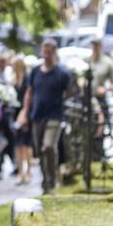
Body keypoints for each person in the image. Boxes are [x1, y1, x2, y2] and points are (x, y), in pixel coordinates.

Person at [18, 39, 73, 194]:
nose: (46, 55)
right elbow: (29, 92)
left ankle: (53, 178)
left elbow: (70, 93)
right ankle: (46, 181)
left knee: (48, 146)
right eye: (44, 51)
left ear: (54, 52)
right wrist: (24, 111)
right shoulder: (35, 72)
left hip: (55, 115)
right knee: (40, 151)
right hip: (37, 115)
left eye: (49, 52)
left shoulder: (62, 73)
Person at [10, 57, 34, 185]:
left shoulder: (28, 78)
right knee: (18, 145)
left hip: (26, 112)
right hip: (15, 113)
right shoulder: (13, 79)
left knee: (26, 144)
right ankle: (21, 172)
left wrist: (25, 114)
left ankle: (28, 171)